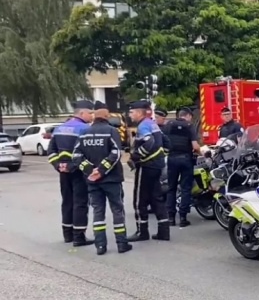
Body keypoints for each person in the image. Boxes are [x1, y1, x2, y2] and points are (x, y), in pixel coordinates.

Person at [72, 101, 132, 255]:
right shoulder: (111, 131)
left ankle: (100, 246)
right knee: (117, 210)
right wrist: (101, 169)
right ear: (106, 116)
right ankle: (121, 243)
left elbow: (76, 155)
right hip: (111, 179)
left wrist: (90, 170)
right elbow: (116, 153)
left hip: (92, 181)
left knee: (98, 212)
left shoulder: (84, 132)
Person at [47, 100, 95, 246]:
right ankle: (79, 236)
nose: (92, 116)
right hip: (78, 171)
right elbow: (87, 152)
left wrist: (58, 165)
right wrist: (74, 166)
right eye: (90, 113)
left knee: (67, 201)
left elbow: (51, 151)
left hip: (63, 172)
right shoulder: (84, 129)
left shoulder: (59, 128)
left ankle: (67, 235)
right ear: (81, 113)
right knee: (80, 202)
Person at [127, 100, 170, 242]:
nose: (130, 115)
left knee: (140, 200)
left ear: (139, 112)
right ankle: (164, 232)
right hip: (157, 166)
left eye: (131, 112)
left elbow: (149, 141)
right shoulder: (153, 123)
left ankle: (142, 232)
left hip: (146, 167)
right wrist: (161, 155)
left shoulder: (143, 126)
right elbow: (165, 141)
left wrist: (136, 156)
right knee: (156, 198)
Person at [163, 107, 200, 227]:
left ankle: (170, 218)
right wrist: (201, 151)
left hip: (172, 159)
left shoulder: (169, 125)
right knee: (185, 188)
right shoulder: (189, 126)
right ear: (188, 116)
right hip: (185, 159)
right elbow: (195, 146)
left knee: (171, 188)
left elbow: (164, 141)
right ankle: (183, 218)